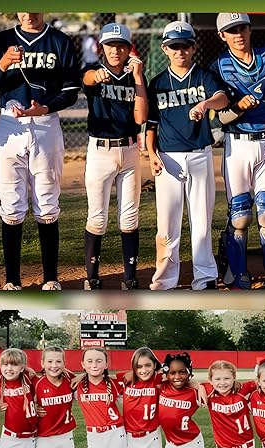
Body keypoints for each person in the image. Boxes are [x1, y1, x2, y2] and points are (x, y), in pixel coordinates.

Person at [0, 12, 81, 290]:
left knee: (47, 202)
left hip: (44, 124)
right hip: (9, 125)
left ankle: (51, 278)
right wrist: (2, 64)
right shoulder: (1, 40)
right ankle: (12, 280)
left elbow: (71, 90)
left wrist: (46, 107)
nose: (28, 13)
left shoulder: (59, 40)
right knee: (11, 205)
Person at [211, 12, 265, 290]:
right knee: (240, 215)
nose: (238, 34)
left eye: (242, 28)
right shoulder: (219, 67)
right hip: (236, 144)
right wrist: (238, 109)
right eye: (231, 30)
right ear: (221, 35)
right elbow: (219, 118)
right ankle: (236, 275)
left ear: (250, 29)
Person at [146, 20, 229, 290]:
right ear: (165, 49)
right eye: (174, 47)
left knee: (202, 221)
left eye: (185, 46)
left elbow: (222, 98)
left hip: (199, 154)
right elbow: (151, 125)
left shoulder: (203, 76)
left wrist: (205, 104)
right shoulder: (157, 83)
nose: (180, 51)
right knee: (167, 224)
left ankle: (204, 278)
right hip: (168, 158)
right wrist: (151, 153)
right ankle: (164, 280)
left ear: (193, 48)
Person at [81, 23, 148, 291]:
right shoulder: (95, 72)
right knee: (97, 218)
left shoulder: (135, 77)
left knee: (129, 219)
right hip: (100, 152)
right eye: (110, 45)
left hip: (130, 151)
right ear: (102, 48)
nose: (116, 50)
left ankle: (130, 279)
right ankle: (92, 278)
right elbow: (86, 79)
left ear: (129, 48)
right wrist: (97, 77)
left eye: (121, 45)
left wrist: (140, 77)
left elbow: (141, 117)